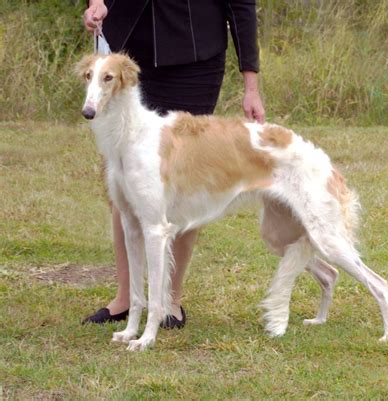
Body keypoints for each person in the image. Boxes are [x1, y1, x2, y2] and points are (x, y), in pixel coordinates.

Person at [82, 0, 265, 327]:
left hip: (195, 58)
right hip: (128, 53)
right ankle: (127, 298)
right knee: (126, 179)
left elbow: (241, 5)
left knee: (184, 181)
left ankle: (171, 300)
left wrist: (251, 86)